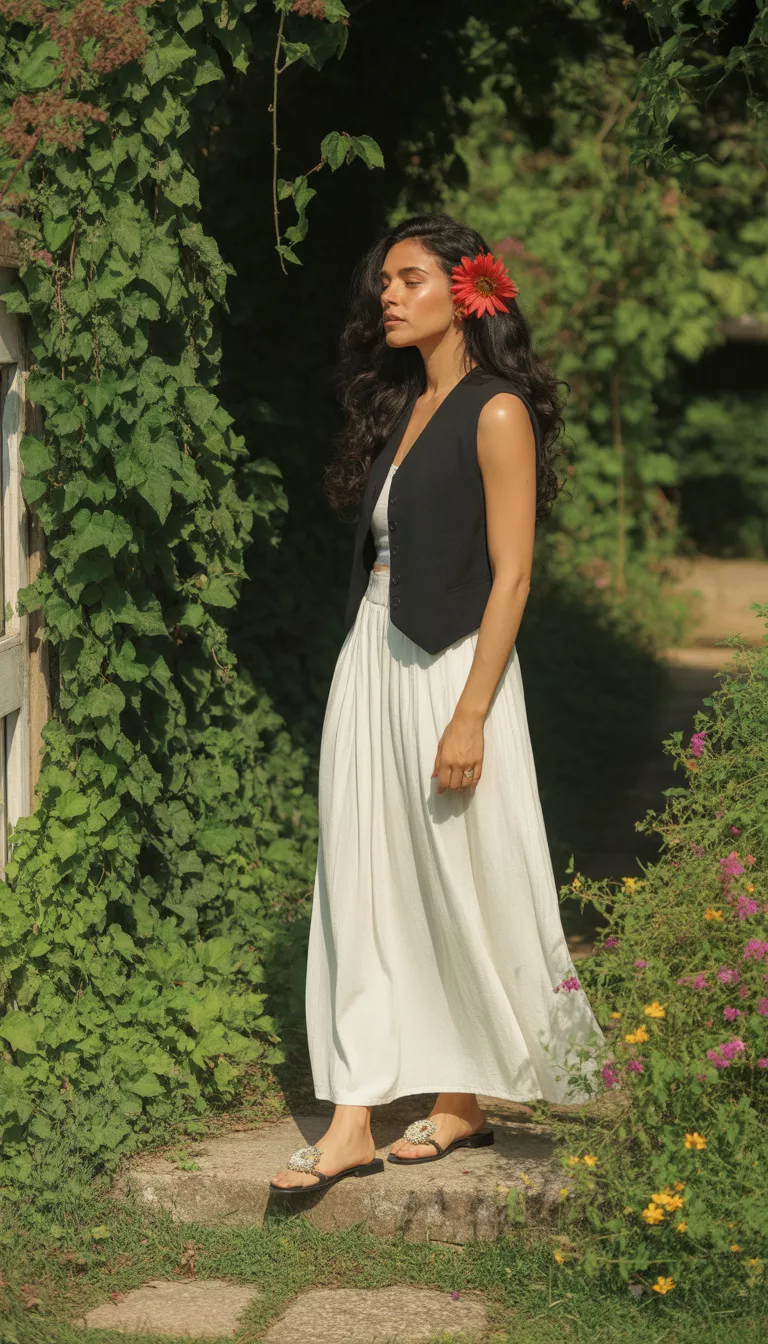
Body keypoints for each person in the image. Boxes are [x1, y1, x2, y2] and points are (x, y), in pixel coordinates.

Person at [270, 213, 605, 1194]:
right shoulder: (407, 405)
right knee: (359, 876)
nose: (386, 292)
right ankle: (353, 1118)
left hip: (454, 669)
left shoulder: (497, 411)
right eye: (385, 279)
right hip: (371, 661)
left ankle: (460, 1100)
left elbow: (512, 578)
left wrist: (468, 712)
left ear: (465, 293)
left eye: (406, 278)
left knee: (462, 876)